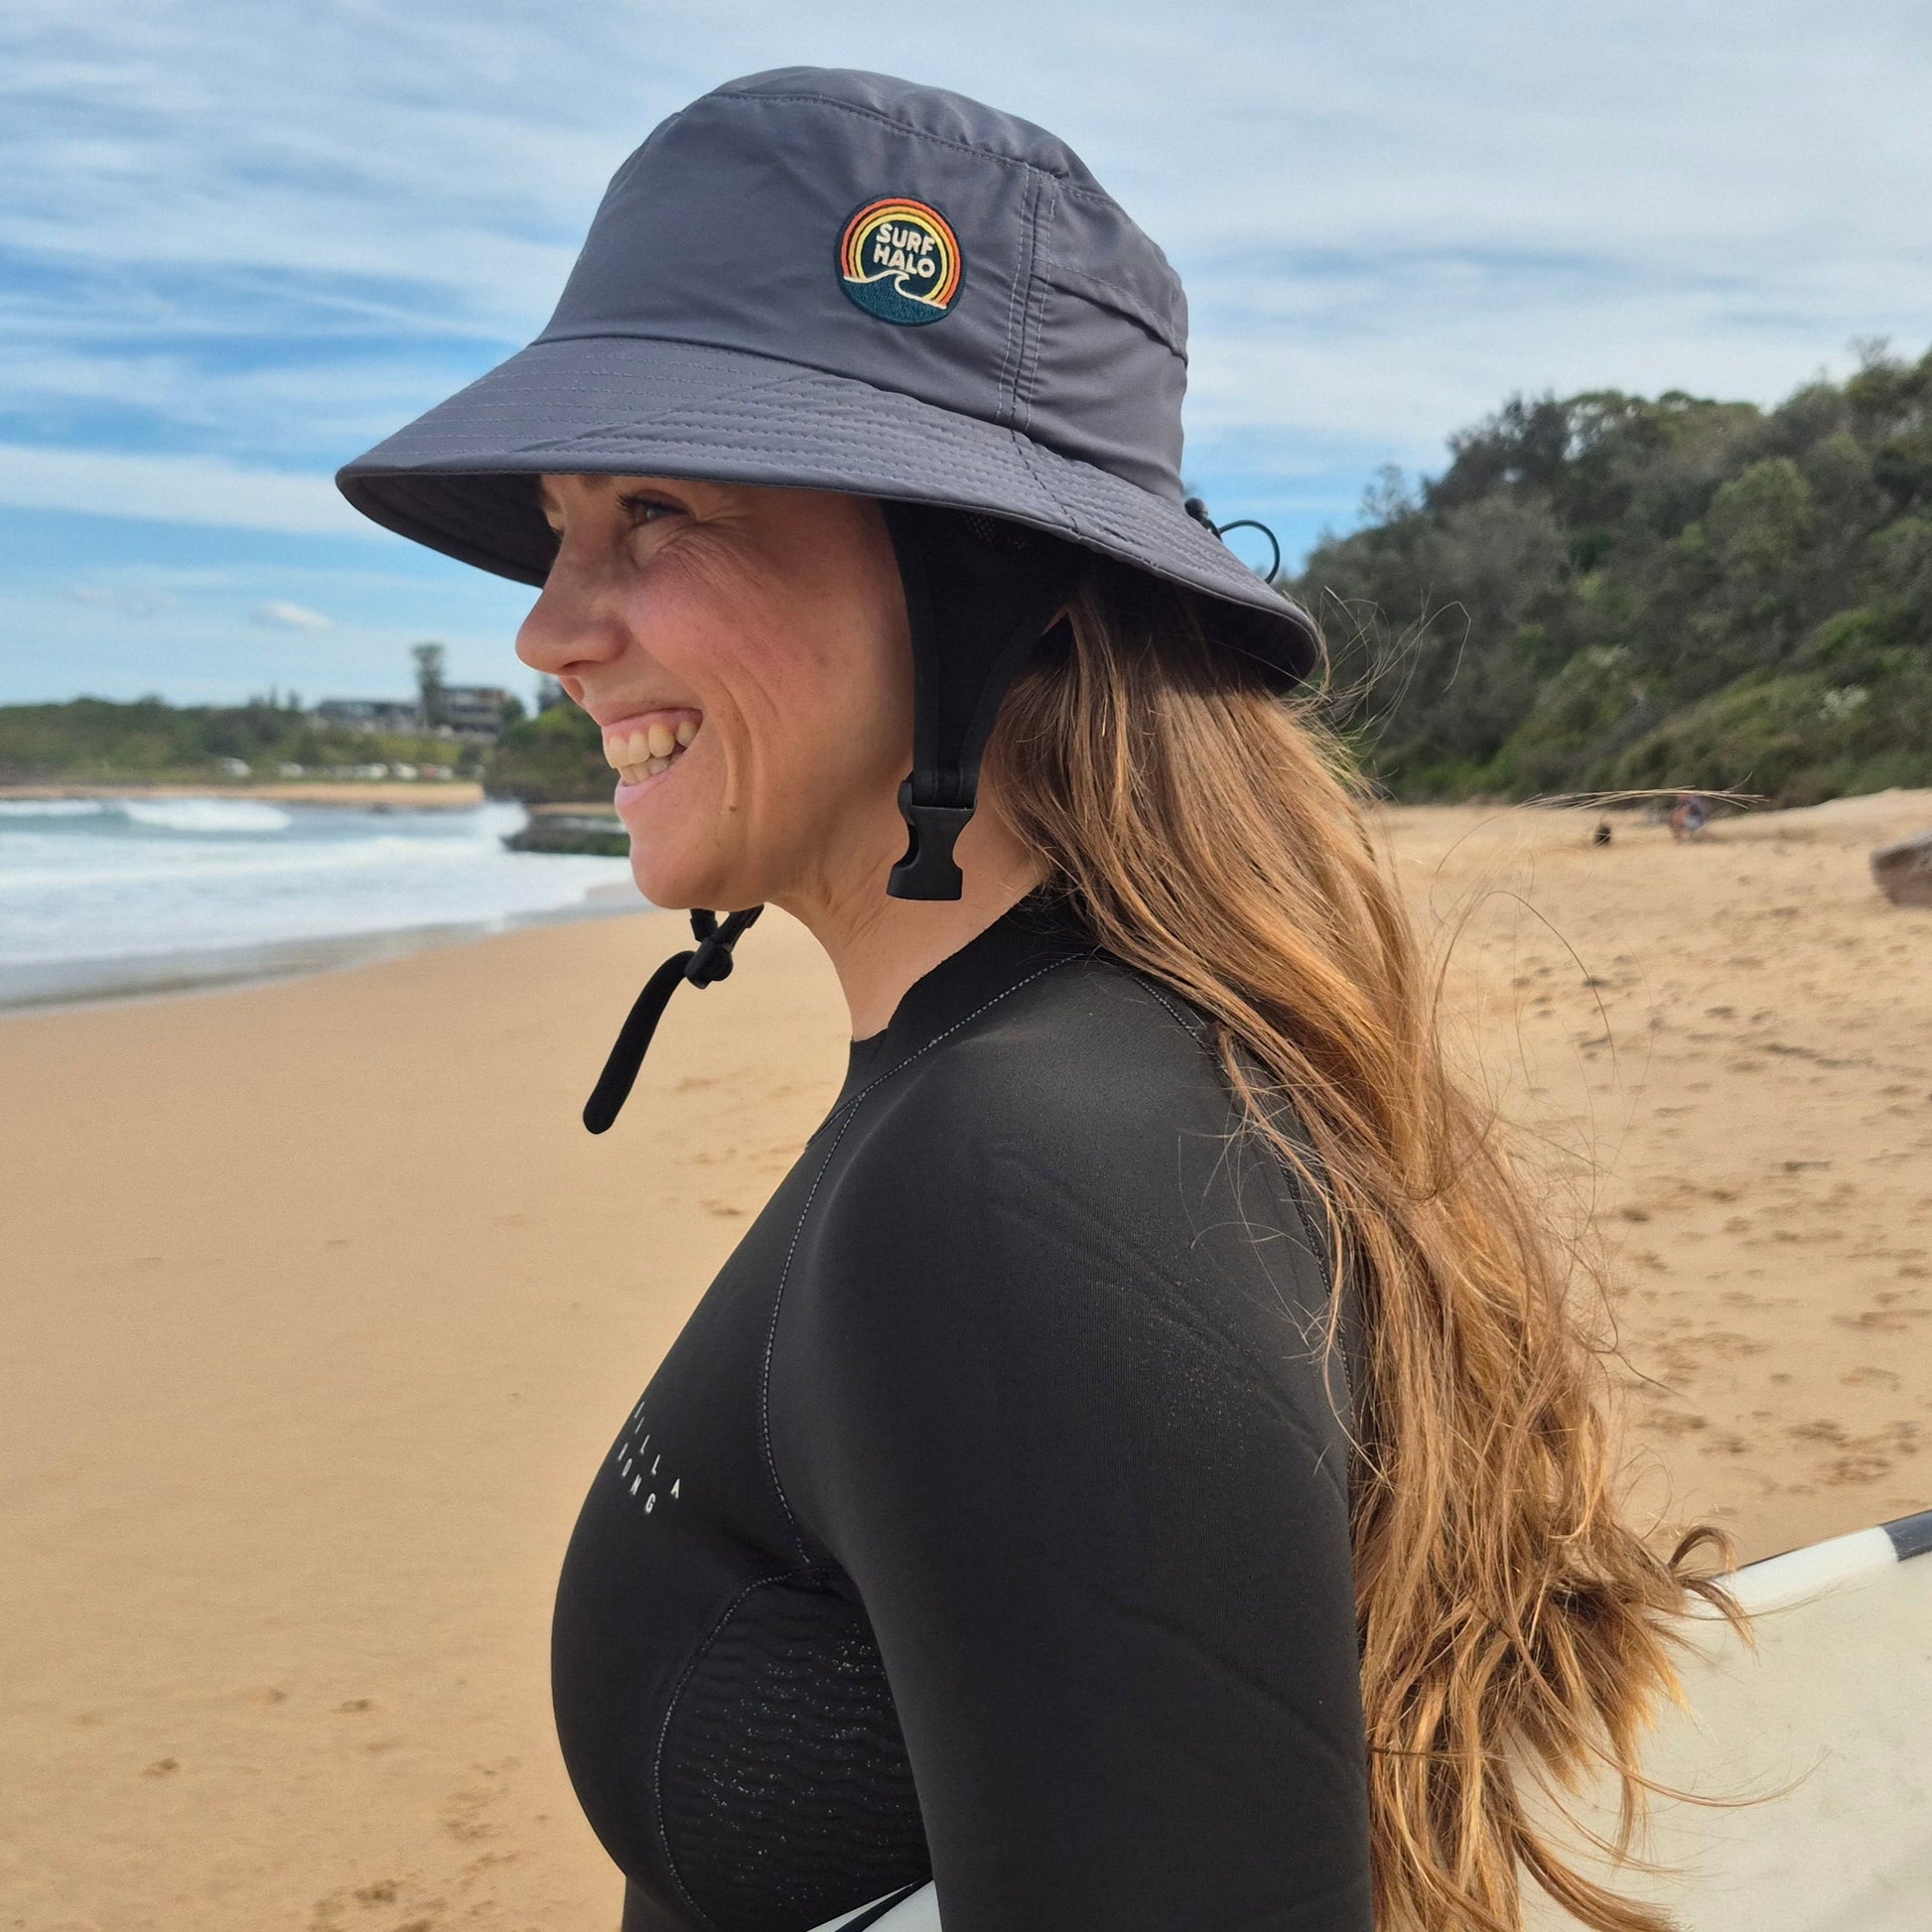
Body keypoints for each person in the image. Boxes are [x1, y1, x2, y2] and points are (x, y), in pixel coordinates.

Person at [338, 69, 1736, 1932]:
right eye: (559, 520)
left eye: (655, 511)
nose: (550, 622)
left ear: (978, 578)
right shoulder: (1067, 1092)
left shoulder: (1031, 1168)